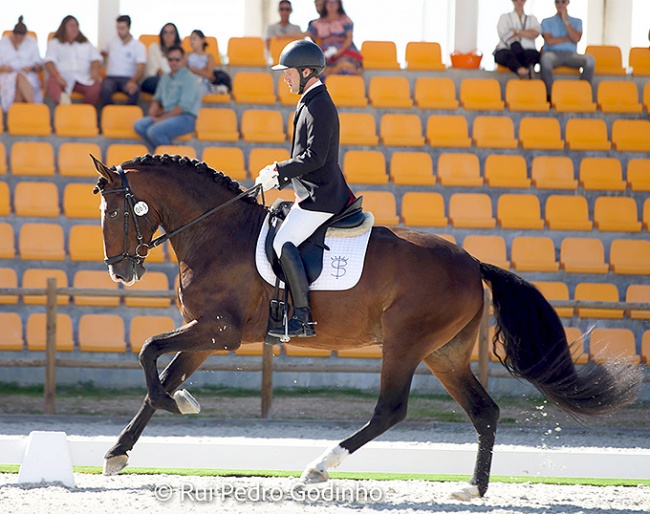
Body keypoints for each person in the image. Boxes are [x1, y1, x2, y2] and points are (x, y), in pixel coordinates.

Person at [257, 40, 355, 338]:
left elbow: (315, 158)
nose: (285, 78)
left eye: (288, 72)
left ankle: (301, 318)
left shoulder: (320, 105)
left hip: (322, 196)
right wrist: (281, 178)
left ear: (306, 71)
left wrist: (279, 171)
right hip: (310, 191)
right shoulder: (310, 101)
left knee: (282, 242)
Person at [134, 45, 201, 151]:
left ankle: (173, 161)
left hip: (185, 118)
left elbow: (183, 107)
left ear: (183, 60)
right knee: (139, 125)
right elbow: (157, 97)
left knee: (154, 131)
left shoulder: (190, 78)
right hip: (167, 115)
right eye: (170, 59)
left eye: (177, 59)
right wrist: (154, 107)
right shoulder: (165, 77)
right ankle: (163, 153)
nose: (173, 62)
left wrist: (161, 119)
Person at [540, 0, 594, 98]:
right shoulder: (546, 21)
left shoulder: (577, 22)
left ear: (568, 3)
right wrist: (569, 38)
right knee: (545, 59)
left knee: (590, 60)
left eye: (563, 2)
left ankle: (583, 91)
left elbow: (576, 38)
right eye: (557, 2)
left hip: (571, 55)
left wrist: (566, 21)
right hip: (552, 54)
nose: (560, 4)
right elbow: (549, 41)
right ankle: (550, 94)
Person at [44, 15, 102, 105]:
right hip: (62, 78)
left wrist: (94, 71)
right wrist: (57, 76)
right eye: (71, 26)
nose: (74, 28)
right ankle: (65, 106)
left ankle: (85, 113)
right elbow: (49, 62)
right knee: (52, 81)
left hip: (83, 79)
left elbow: (96, 59)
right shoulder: (55, 42)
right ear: (64, 28)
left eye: (76, 26)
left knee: (95, 87)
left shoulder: (85, 42)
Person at [307, 0, 362, 78]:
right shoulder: (317, 23)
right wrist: (284, 35)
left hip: (345, 52)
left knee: (344, 68)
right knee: (315, 71)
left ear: (339, 4)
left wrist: (339, 51)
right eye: (329, 2)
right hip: (325, 54)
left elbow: (349, 37)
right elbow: (307, 34)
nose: (331, 5)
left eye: (334, 2)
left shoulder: (345, 20)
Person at [100, 15, 146, 105]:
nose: (119, 31)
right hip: (111, 78)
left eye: (122, 28)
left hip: (128, 79)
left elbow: (141, 68)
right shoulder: (111, 42)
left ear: (129, 28)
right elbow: (103, 53)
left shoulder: (138, 46)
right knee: (105, 89)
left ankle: (127, 116)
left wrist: (133, 81)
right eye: (117, 28)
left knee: (134, 91)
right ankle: (110, 115)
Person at [0, 16, 44, 111]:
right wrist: (3, 68)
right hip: (6, 77)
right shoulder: (3, 43)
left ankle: (14, 116)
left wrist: (31, 68)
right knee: (17, 80)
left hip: (28, 77)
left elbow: (39, 65)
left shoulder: (31, 42)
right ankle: (32, 110)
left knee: (20, 78)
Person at [494, 0, 541, 78]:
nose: (519, 2)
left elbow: (535, 33)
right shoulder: (505, 17)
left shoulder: (532, 19)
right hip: (509, 50)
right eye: (516, 0)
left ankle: (522, 69)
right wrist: (526, 33)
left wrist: (516, 31)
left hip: (527, 52)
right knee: (504, 54)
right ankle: (520, 69)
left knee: (533, 54)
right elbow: (504, 35)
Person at [186, 29, 230, 96]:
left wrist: (195, 70)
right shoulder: (187, 55)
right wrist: (202, 71)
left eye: (194, 38)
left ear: (202, 40)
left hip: (203, 83)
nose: (191, 41)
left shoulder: (209, 56)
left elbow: (209, 75)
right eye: (190, 39)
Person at [141, 22, 181, 95]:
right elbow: (156, 71)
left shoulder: (179, 52)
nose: (168, 35)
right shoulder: (154, 47)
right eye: (165, 32)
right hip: (153, 80)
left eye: (171, 32)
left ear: (176, 35)